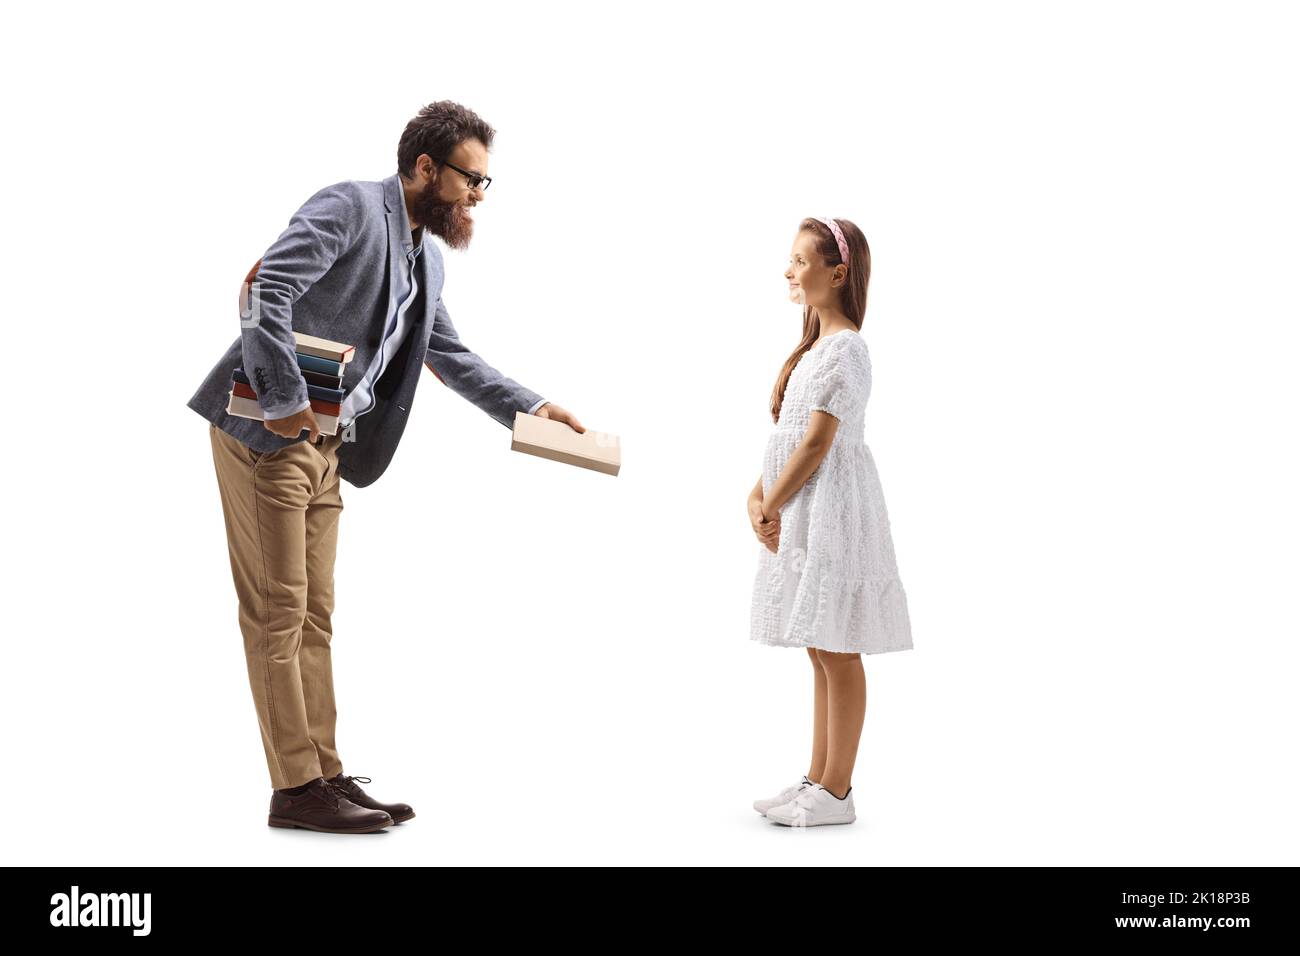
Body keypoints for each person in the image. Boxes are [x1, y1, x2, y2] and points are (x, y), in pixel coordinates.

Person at [186, 100, 585, 834]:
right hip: (269, 434)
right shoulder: (348, 207)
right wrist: (281, 401)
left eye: (485, 184)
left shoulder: (424, 255)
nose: (476, 197)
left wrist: (533, 408)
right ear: (425, 167)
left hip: (330, 446)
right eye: (471, 179)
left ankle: (324, 773)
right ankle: (294, 787)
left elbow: (449, 356)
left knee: (316, 615)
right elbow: (268, 288)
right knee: (278, 612)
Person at [748, 216, 913, 828]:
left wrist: (771, 503)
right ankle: (816, 777)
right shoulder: (813, 348)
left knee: (838, 649)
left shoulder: (847, 347)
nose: (789, 270)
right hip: (804, 510)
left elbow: (818, 444)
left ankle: (838, 790)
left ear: (836, 273)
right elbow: (787, 441)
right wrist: (756, 497)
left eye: (800, 259)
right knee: (819, 647)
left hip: (833, 514)